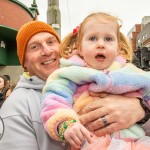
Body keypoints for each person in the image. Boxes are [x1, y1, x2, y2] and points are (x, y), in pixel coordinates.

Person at [0, 21, 148, 150]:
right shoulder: (16, 108)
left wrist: (142, 111)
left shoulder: (94, 74)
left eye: (51, 42)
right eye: (34, 47)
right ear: (24, 63)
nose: (47, 51)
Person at [41, 12, 150, 149]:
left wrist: (143, 108)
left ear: (117, 49)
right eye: (92, 38)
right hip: (91, 142)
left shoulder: (131, 74)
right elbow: (54, 100)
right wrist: (66, 124)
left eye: (108, 39)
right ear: (80, 48)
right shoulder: (70, 74)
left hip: (133, 142)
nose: (100, 44)